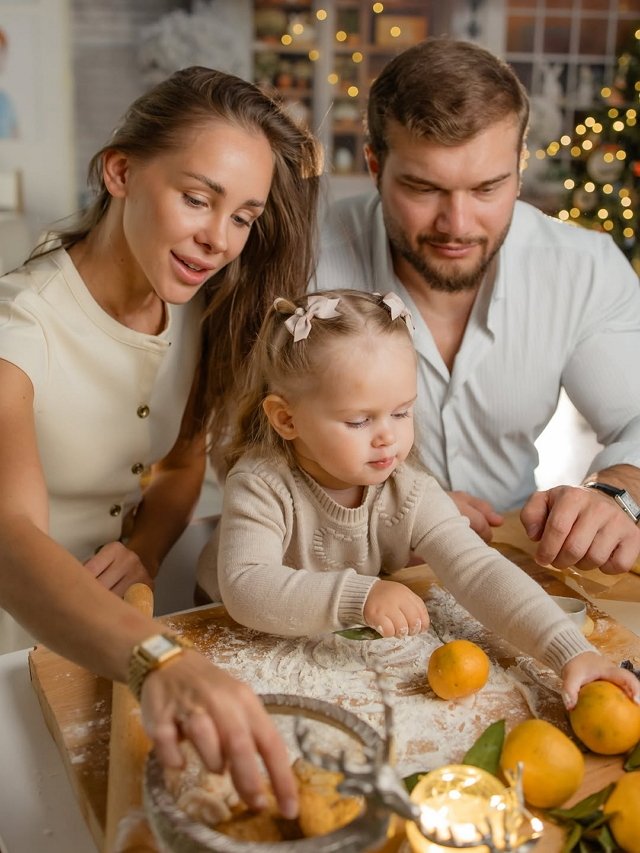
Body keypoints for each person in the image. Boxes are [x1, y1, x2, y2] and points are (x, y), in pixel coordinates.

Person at [0, 65, 322, 817]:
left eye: (242, 216)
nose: (217, 239)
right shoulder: (18, 329)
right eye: (196, 198)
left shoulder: (202, 307)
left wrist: (146, 548)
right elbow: (9, 536)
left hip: (135, 623)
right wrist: (155, 658)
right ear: (121, 171)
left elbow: (181, 461)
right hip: (19, 631)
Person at [196, 289, 640, 708]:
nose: (388, 436)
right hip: (231, 636)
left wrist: (570, 653)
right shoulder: (259, 483)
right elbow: (246, 588)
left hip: (332, 638)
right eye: (358, 421)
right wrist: (361, 596)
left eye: (402, 412)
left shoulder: (408, 489)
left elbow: (479, 571)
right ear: (286, 418)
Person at [312, 37, 640, 576]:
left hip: (516, 562)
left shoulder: (582, 268)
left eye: (488, 188)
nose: (458, 225)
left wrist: (618, 490)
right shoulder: (303, 264)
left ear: (519, 164)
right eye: (424, 189)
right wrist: (379, 520)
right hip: (341, 573)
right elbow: (241, 456)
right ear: (375, 164)